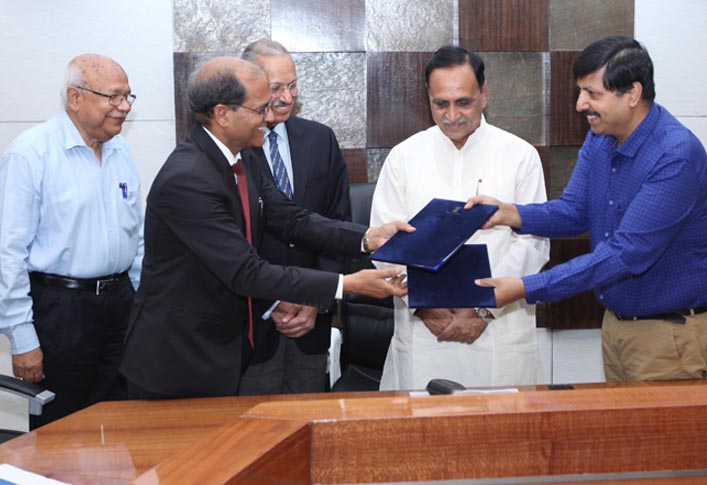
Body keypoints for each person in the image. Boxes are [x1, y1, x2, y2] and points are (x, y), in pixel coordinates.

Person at [119, 57, 411, 399]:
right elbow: (246, 272)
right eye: (260, 109)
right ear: (223, 114)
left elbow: (290, 218)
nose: (270, 117)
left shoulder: (242, 156)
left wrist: (367, 237)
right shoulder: (188, 178)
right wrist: (345, 284)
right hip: (180, 357)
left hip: (222, 349)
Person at [469, 35, 707, 382]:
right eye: (580, 91)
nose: (580, 104)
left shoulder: (675, 156)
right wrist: (508, 213)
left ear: (632, 94)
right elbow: (575, 211)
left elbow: (625, 254)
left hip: (670, 335)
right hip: (618, 323)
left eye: (592, 93)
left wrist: (524, 287)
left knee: (651, 423)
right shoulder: (600, 136)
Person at [370, 45, 550, 391]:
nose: (452, 115)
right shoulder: (404, 157)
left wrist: (482, 310)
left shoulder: (519, 155)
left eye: (463, 102)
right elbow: (385, 245)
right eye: (441, 103)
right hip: (424, 329)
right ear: (428, 98)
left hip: (499, 327)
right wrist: (426, 309)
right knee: (422, 422)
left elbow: (533, 244)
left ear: (484, 94)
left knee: (500, 421)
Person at [0, 54, 144, 425]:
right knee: (62, 429)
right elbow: (8, 253)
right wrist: (22, 337)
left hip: (120, 304)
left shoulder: (121, 150)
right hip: (61, 310)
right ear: (75, 97)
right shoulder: (31, 153)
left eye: (128, 96)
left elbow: (136, 234)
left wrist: (143, 306)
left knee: (121, 423)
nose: (124, 106)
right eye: (113, 96)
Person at [238, 39, 351, 395]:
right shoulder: (234, 146)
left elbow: (337, 222)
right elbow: (230, 241)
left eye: (293, 85)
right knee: (252, 422)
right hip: (253, 320)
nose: (287, 97)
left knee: (309, 417)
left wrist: (316, 299)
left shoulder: (321, 139)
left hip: (311, 322)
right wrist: (272, 300)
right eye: (276, 89)